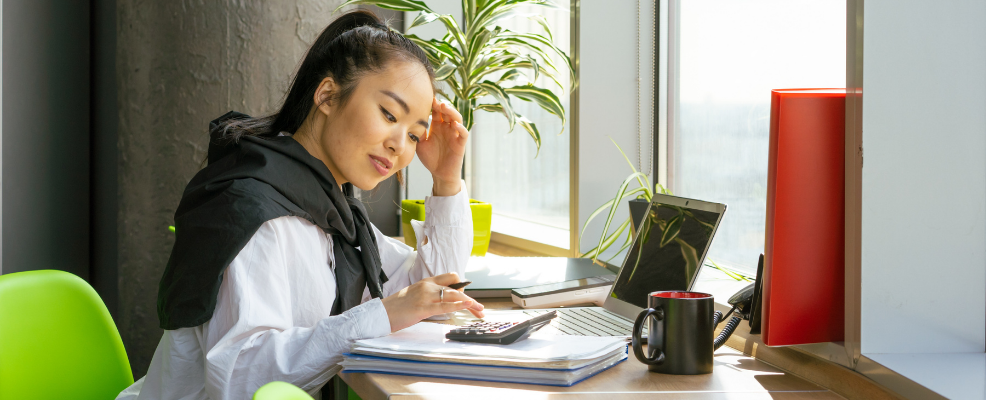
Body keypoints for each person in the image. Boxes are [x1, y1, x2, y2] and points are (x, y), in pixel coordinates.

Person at [117, 10, 484, 400]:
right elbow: (242, 378)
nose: (399, 145)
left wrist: (446, 179)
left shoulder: (332, 212)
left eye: (414, 134)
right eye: (389, 114)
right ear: (327, 95)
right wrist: (382, 314)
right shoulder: (259, 213)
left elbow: (437, 292)